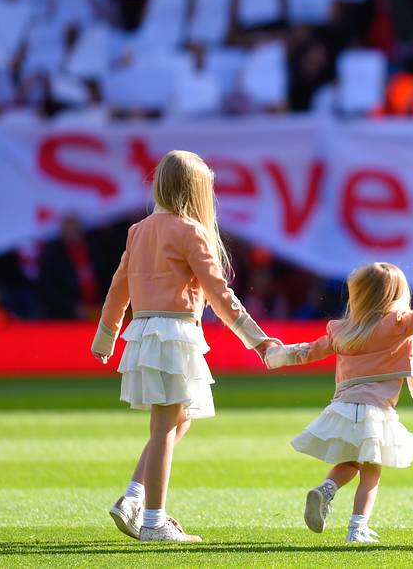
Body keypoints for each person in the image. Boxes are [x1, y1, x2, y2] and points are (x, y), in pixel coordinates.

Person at [91, 150, 279, 543]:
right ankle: (155, 521)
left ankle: (133, 498)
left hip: (143, 335)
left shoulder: (138, 230)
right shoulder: (190, 231)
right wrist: (257, 340)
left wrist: (106, 334)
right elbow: (219, 294)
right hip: (174, 334)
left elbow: (117, 288)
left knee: (178, 419)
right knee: (165, 426)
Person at [263, 263, 413, 543]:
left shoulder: (343, 330)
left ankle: (327, 488)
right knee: (372, 471)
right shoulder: (398, 325)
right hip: (376, 412)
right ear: (397, 294)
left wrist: (275, 355)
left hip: (343, 409)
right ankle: (357, 527)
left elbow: (309, 351)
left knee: (350, 462)